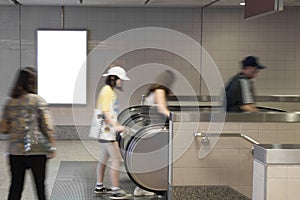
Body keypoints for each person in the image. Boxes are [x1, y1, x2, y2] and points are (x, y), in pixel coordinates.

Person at [0, 67, 56, 200]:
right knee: (40, 187)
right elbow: (47, 126)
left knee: (16, 187)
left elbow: (3, 128)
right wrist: (52, 146)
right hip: (37, 150)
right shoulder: (38, 100)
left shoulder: (10, 102)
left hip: (15, 152)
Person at [133, 70, 175, 197]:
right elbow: (162, 109)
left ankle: (144, 186)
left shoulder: (153, 90)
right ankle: (144, 187)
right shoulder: (160, 91)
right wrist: (176, 118)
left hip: (150, 128)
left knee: (152, 159)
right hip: (155, 129)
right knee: (155, 159)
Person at [94, 66, 131, 200]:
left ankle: (99, 186)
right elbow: (106, 112)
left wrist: (117, 125)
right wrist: (117, 127)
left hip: (103, 131)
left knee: (103, 158)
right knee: (116, 159)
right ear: (114, 79)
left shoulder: (108, 91)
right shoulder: (107, 91)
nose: (121, 82)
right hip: (107, 131)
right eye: (120, 79)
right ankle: (115, 190)